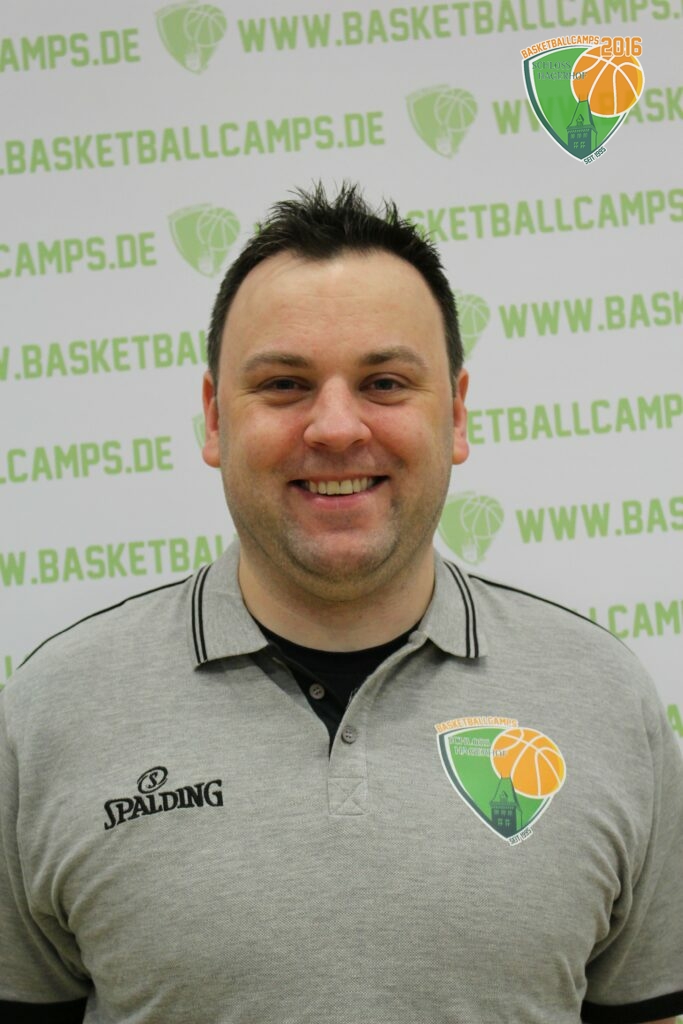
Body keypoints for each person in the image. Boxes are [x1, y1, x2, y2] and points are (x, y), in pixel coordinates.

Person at [0, 184, 681, 1024]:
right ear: (213, 419)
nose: (334, 427)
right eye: (284, 384)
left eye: (384, 382)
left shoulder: (602, 697)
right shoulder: (51, 713)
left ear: (456, 414)